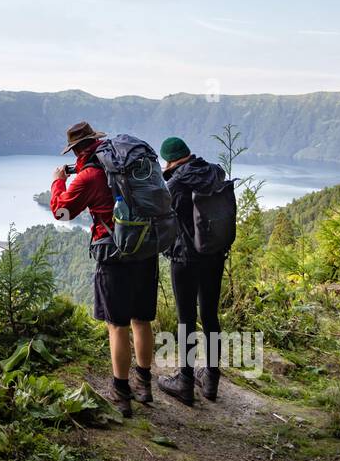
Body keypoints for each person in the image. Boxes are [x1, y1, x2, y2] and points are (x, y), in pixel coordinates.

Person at [50, 121, 158, 415]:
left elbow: (61, 211)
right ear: (97, 142)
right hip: (146, 248)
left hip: (113, 254)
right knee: (141, 319)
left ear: (76, 150)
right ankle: (144, 385)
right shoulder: (130, 166)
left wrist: (58, 181)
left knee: (117, 325)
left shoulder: (89, 176)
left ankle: (121, 393)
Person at [156, 137, 231, 404]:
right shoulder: (214, 171)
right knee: (210, 314)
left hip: (185, 258)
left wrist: (167, 177)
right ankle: (211, 378)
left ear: (169, 160)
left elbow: (163, 213)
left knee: (185, 318)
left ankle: (185, 381)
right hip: (214, 253)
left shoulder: (176, 183)